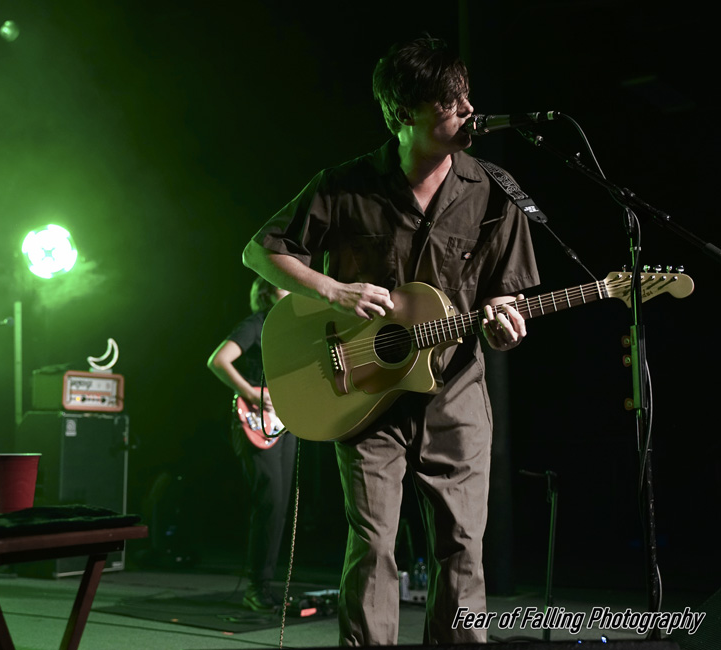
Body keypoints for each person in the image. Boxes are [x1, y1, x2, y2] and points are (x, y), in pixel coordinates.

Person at [242, 35, 540, 645]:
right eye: (448, 102)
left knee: (462, 545)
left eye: (465, 97)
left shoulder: (494, 191)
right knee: (374, 544)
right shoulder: (345, 184)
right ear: (402, 115)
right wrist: (334, 291)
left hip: (455, 391)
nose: (466, 111)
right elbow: (260, 251)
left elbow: (505, 296)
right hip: (360, 391)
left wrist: (507, 325)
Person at [207, 276, 298, 611]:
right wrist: (253, 394)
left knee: (280, 504)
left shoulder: (289, 331)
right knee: (269, 501)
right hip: (255, 419)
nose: (289, 291)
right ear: (266, 292)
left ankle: (266, 586)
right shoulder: (256, 323)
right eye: (282, 286)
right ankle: (256, 587)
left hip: (285, 423)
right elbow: (218, 360)